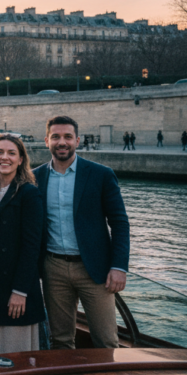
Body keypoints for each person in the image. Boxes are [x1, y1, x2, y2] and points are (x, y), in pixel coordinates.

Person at [35, 116, 130, 350]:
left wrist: (119, 267)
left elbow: (119, 223)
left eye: (68, 136)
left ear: (77, 141)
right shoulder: (35, 177)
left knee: (106, 340)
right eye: (56, 137)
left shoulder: (101, 174)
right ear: (46, 141)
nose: (62, 142)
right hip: (53, 267)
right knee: (60, 340)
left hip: (95, 269)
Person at [0, 134, 45, 356]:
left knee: (13, 342)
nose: (5, 157)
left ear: (21, 159)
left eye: (12, 153)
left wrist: (20, 291)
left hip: (14, 280)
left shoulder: (29, 193)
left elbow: (32, 245)